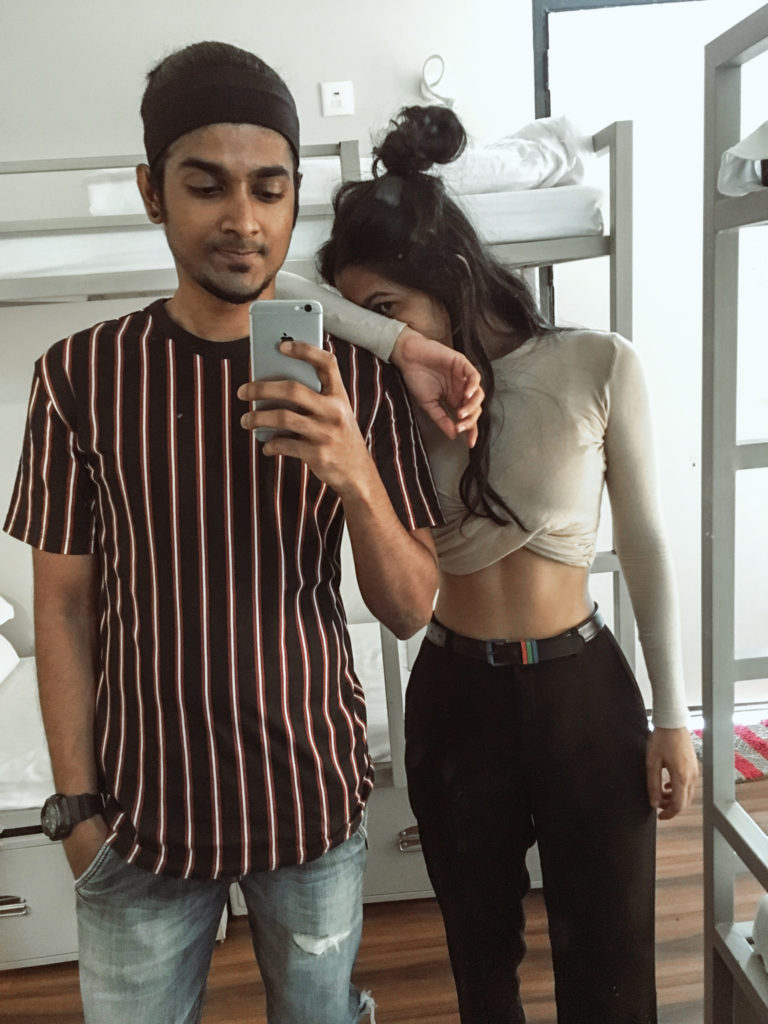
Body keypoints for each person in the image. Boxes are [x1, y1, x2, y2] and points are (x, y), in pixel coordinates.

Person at [2, 46, 484, 1024]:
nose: (242, 219)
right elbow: (62, 607)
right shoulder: (78, 377)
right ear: (152, 192)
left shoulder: (353, 378)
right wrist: (77, 810)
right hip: (139, 819)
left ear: (294, 197)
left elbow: (408, 608)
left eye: (269, 189)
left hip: (309, 804)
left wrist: (353, 471)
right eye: (205, 185)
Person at [314, 104, 700, 1024]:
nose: (375, 333)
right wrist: (397, 341)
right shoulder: (394, 392)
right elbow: (274, 292)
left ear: (447, 273)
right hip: (457, 700)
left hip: (584, 694)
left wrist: (674, 718)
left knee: (612, 965)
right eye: (364, 318)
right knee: (480, 963)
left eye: (389, 307)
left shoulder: (596, 362)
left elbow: (646, 544)